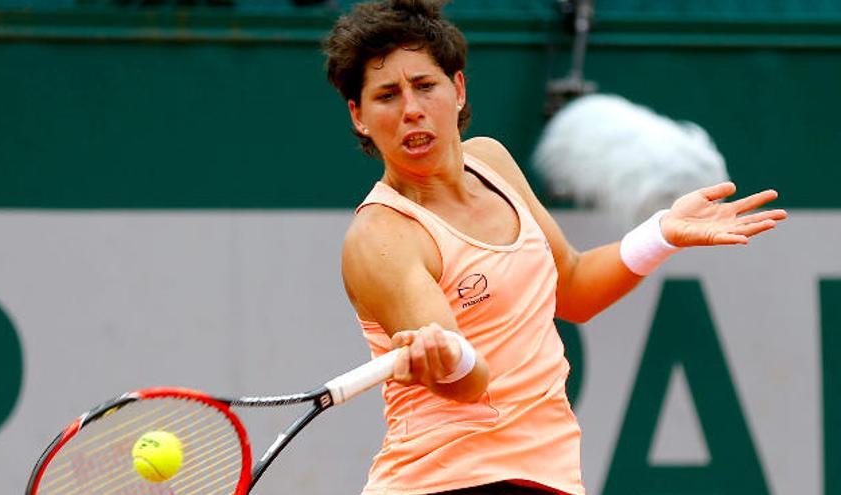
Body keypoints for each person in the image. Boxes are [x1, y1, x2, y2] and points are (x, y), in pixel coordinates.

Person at [322, 1, 787, 494]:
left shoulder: (492, 161)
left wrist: (662, 233)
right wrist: (447, 355)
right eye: (387, 95)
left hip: (544, 475)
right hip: (449, 482)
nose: (411, 109)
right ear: (360, 117)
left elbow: (575, 288)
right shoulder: (381, 238)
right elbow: (468, 383)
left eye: (425, 85)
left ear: (457, 90)